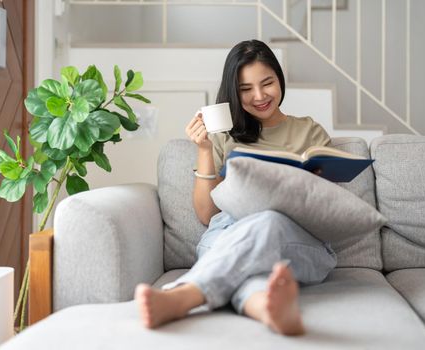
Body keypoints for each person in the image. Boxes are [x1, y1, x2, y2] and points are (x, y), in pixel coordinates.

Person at [135, 39, 337, 336]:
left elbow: (325, 211)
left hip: (297, 241)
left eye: (267, 83)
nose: (259, 96)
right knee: (245, 266)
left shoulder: (310, 132)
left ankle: (183, 297)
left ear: (279, 79)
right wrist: (205, 150)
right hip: (227, 233)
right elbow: (207, 215)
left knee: (268, 221)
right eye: (245, 90)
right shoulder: (222, 136)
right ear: (234, 92)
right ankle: (268, 310)